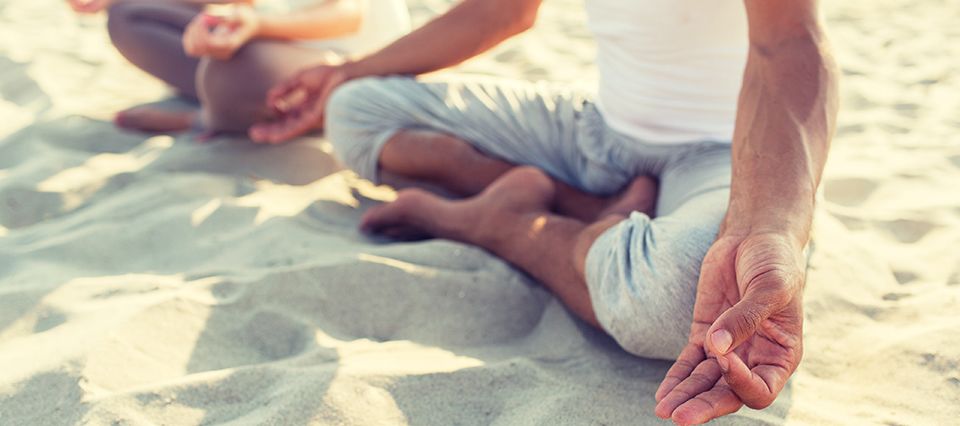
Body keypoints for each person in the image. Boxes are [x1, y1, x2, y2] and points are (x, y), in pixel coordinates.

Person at [251, 0, 838, 423]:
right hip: (596, 131)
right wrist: (345, 73)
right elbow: (503, 10)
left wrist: (771, 227)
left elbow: (790, 41)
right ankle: (582, 212)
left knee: (699, 299)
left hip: (723, 155)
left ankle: (498, 222)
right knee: (358, 109)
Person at [66, 0, 410, 134]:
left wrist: (255, 25)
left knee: (229, 73)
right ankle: (222, 104)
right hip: (273, 45)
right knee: (128, 15)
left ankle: (200, 120)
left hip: (350, 60)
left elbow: (348, 15)